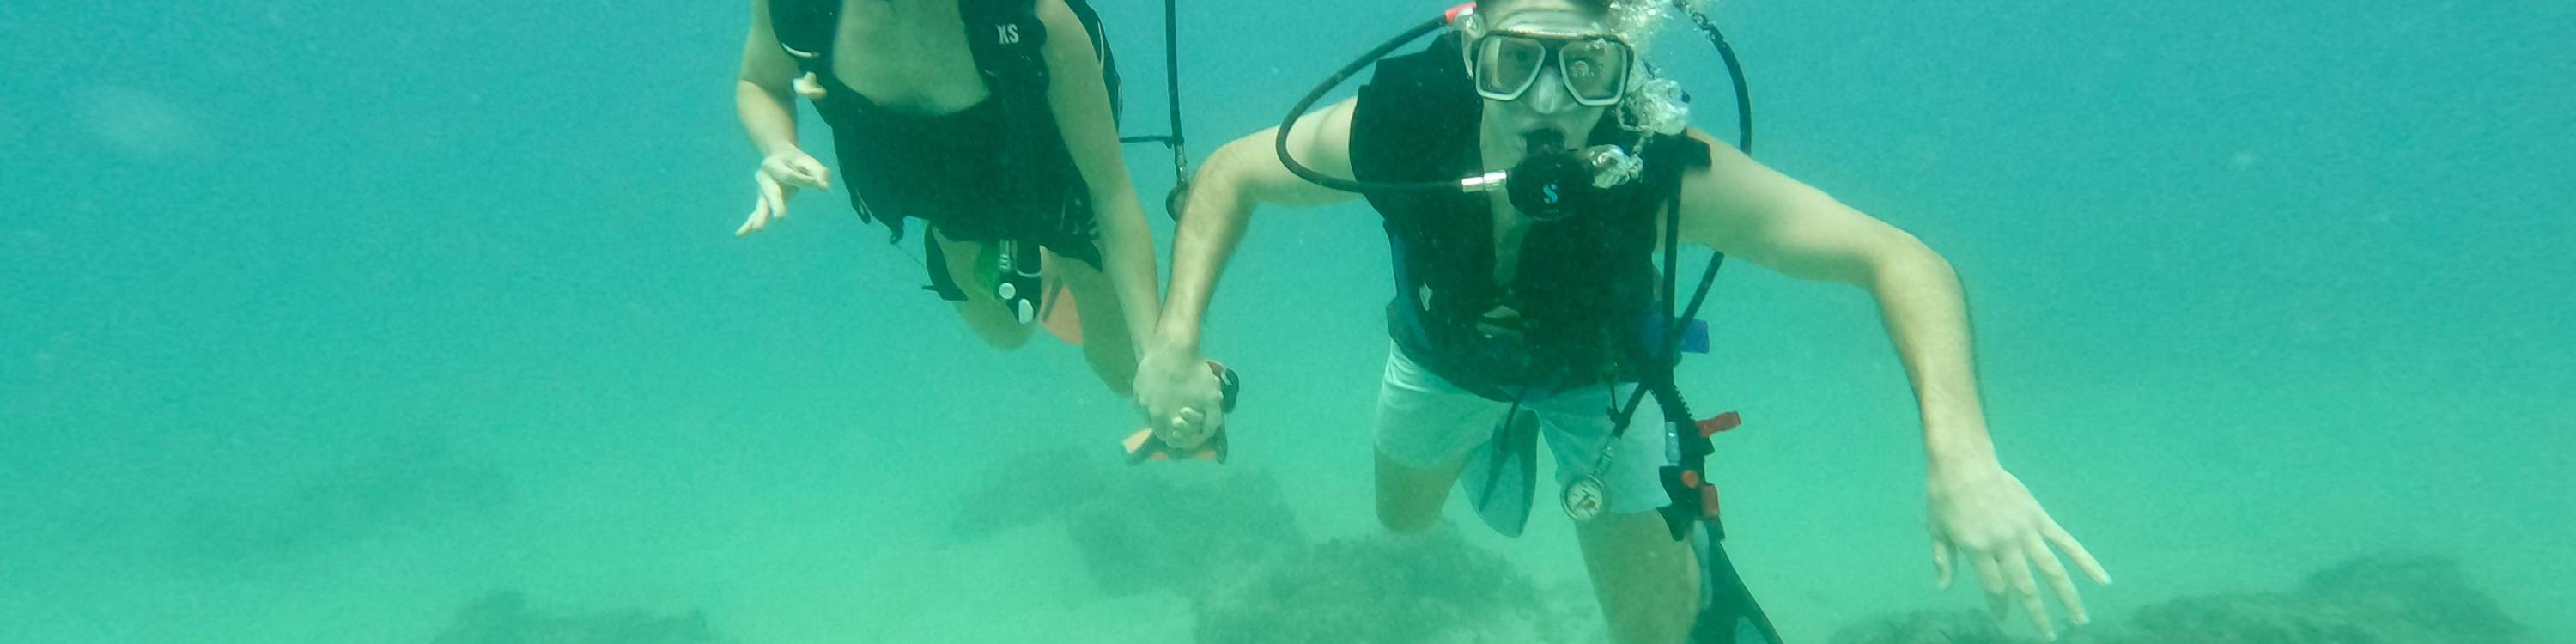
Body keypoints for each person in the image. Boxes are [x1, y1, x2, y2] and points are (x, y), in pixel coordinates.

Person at [1129, 0, 2111, 641]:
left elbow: (1902, 261)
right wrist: (1174, 346)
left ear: (1625, 68)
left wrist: (1963, 458)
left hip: (1602, 387)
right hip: (1439, 363)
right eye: (1516, 61)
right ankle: (1497, 435)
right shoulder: (1399, 129)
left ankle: (1700, 568)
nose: (1546, 105)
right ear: (1472, 50)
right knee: (1404, 522)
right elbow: (1231, 175)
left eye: (1587, 71)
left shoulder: (1659, 171)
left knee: (1653, 630)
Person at [732, 0, 1159, 393]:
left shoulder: (1036, 19)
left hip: (1050, 153)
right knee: (1005, 332)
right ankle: (998, 246)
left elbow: (1111, 195)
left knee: (1122, 367)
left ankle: (1045, 253)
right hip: (936, 180)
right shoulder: (799, 9)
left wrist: (1160, 361)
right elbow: (760, 81)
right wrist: (777, 146)